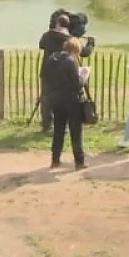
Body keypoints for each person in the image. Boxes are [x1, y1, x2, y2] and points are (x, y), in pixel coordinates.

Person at [38, 14, 95, 133]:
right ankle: (63, 125)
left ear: (57, 23)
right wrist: (91, 43)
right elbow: (84, 52)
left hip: (47, 71)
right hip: (64, 74)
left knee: (46, 98)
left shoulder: (47, 35)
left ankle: (46, 125)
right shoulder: (69, 38)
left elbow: (41, 45)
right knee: (64, 99)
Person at [43, 37, 87, 170]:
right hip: (71, 100)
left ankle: (55, 160)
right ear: (75, 49)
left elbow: (46, 77)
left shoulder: (52, 59)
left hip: (56, 99)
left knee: (58, 130)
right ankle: (79, 161)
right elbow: (76, 83)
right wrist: (83, 77)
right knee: (75, 131)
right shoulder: (70, 61)